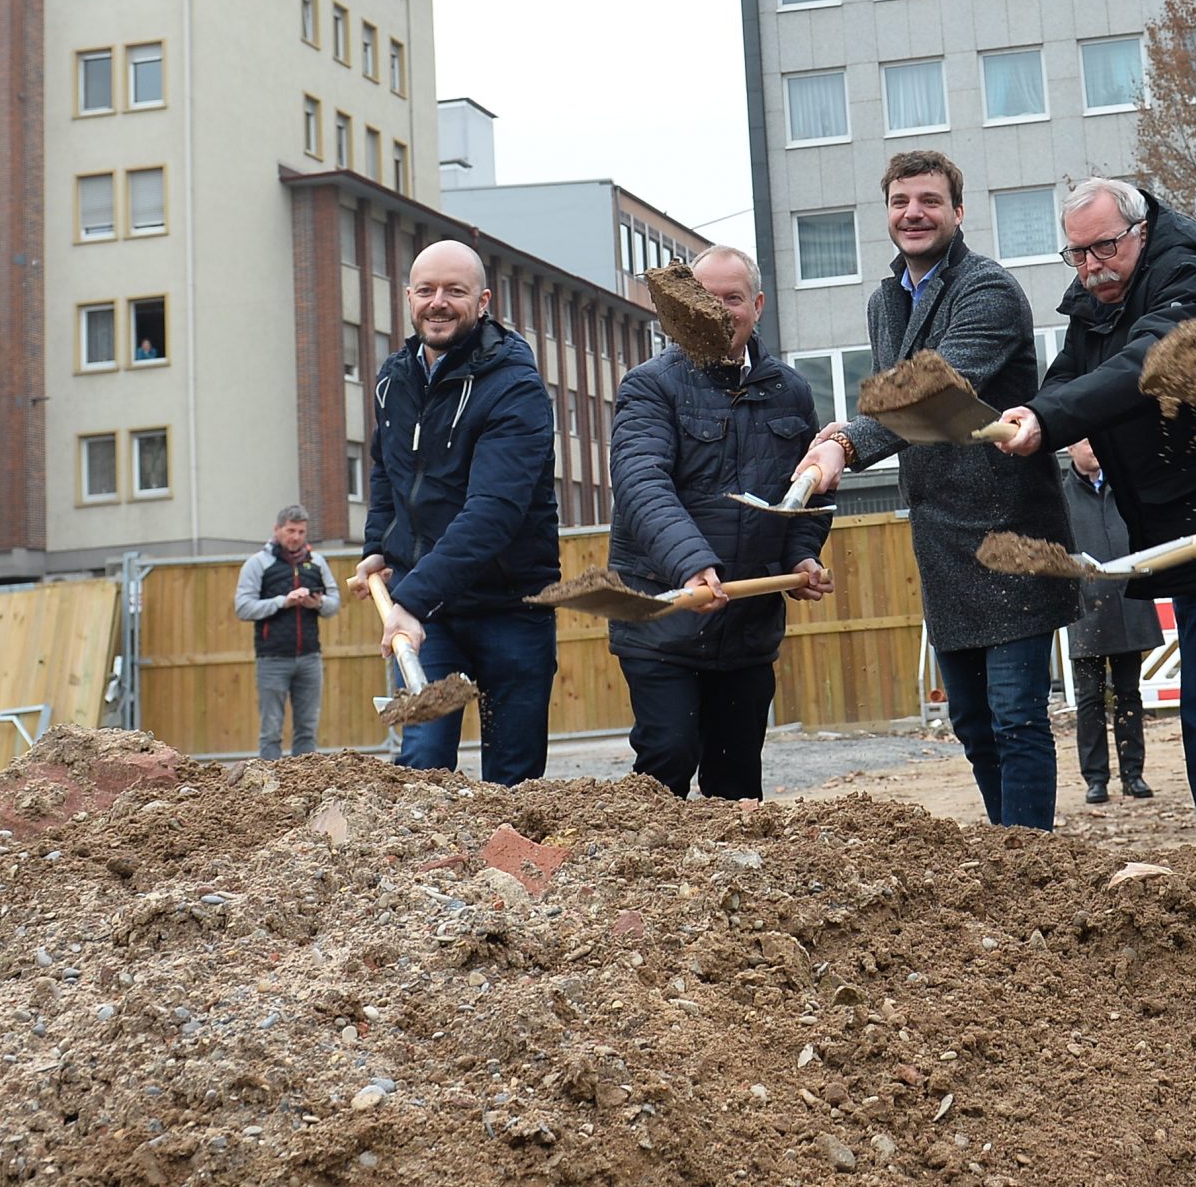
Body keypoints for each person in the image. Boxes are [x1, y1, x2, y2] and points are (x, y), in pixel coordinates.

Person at [796, 152, 1076, 831]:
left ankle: (1030, 863)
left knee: (1015, 718)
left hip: (1008, 531)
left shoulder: (989, 292)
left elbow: (931, 392)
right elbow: (896, 397)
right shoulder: (885, 300)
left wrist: (849, 443)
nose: (912, 212)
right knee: (974, 724)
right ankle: (1011, 843)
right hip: (941, 535)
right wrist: (844, 431)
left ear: (958, 211)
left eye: (928, 200)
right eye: (899, 201)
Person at [995, 178, 1196, 839]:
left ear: (1141, 230)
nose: (1092, 266)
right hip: (1177, 523)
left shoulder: (1189, 282)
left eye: (1104, 248)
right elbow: (1068, 378)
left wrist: (1048, 414)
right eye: (1078, 254)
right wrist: (1022, 419)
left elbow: (1144, 362)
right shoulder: (1095, 302)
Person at [607, 244, 835, 800]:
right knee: (669, 751)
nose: (719, 311)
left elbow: (804, 490)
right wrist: (691, 564)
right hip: (662, 620)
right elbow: (641, 483)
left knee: (736, 782)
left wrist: (801, 554)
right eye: (704, 298)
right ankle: (655, 873)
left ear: (756, 305)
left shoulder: (791, 391)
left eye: (732, 299)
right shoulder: (650, 386)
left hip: (746, 629)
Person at [353, 239, 561, 787]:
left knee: (512, 780)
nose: (438, 302)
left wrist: (411, 598)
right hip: (433, 614)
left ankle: (508, 872)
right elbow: (386, 470)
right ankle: (425, 873)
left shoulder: (515, 387)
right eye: (426, 290)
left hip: (511, 606)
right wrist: (379, 542)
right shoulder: (394, 378)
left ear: (483, 300)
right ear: (408, 297)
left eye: (454, 291)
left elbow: (494, 512)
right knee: (422, 767)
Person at [1059, 439, 1163, 804]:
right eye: (1084, 442)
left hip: (1127, 601)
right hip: (1086, 608)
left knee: (1128, 693)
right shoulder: (1061, 495)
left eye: (1096, 441)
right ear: (1070, 448)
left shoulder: (1124, 485)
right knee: (1089, 698)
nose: (1092, 448)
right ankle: (1096, 778)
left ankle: (1133, 773)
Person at [234, 504, 341, 761]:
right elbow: (243, 607)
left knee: (307, 730)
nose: (295, 537)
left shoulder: (317, 563)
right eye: (290, 530)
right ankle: (269, 785)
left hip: (310, 658)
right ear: (277, 530)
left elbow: (335, 601)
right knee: (270, 730)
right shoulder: (258, 564)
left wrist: (319, 604)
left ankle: (303, 784)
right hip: (272, 659)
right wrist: (283, 601)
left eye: (301, 532)